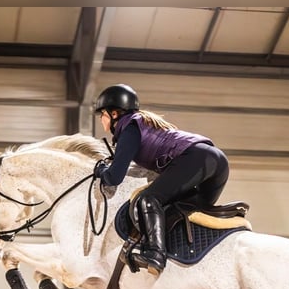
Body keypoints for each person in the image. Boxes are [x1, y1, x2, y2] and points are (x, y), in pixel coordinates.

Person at [93, 83, 230, 276]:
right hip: (217, 163)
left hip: (197, 158)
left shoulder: (130, 128)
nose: (101, 120)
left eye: (102, 115)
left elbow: (114, 177)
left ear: (114, 114)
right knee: (177, 210)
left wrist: (100, 170)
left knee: (148, 199)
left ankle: (155, 255)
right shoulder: (142, 125)